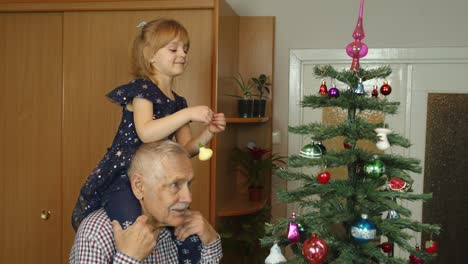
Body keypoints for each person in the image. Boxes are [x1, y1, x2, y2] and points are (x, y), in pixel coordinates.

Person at [71, 18, 225, 231]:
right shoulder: (142, 90)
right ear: (151, 55)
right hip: (125, 175)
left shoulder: (178, 102)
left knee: (182, 228)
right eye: (173, 49)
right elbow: (146, 133)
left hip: (155, 176)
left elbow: (185, 150)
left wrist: (209, 132)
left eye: (185, 49)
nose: (182, 54)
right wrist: (188, 113)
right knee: (136, 226)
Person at [70, 140, 223, 263]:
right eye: (174, 185)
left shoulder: (179, 228)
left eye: (188, 184)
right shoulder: (96, 233)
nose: (188, 198)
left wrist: (210, 240)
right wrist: (128, 259)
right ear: (139, 186)